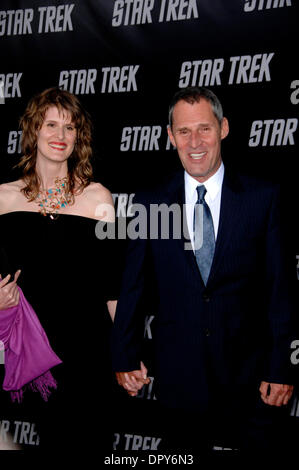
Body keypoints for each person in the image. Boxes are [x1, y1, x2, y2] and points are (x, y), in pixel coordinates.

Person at [111, 87, 297, 457]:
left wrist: (281, 368)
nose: (194, 142)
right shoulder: (151, 201)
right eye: (183, 131)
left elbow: (280, 289)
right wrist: (124, 354)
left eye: (204, 129)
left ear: (223, 128)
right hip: (179, 377)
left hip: (252, 378)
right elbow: (132, 284)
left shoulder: (264, 197)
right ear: (170, 136)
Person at [0, 87, 119, 453]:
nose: (60, 136)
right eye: (51, 124)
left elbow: (112, 285)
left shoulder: (98, 197)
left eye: (70, 128)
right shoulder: (5, 197)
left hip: (90, 352)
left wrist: (126, 351)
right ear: (33, 131)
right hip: (33, 353)